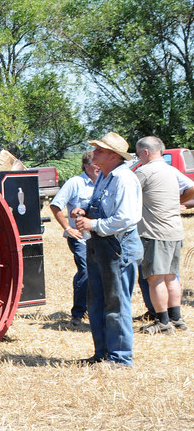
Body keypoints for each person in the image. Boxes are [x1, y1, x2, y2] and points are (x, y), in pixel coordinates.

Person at [74, 132, 143, 367]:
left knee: (116, 302)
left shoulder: (123, 178)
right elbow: (105, 207)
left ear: (113, 156)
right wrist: (84, 211)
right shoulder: (105, 177)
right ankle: (103, 354)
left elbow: (125, 218)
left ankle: (121, 358)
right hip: (101, 245)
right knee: (97, 301)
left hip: (117, 246)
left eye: (100, 150)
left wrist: (92, 224)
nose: (94, 153)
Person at [133, 136, 194, 334]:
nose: (137, 157)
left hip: (154, 232)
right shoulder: (171, 170)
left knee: (155, 278)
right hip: (174, 230)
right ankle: (176, 318)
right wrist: (177, 202)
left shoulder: (143, 172)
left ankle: (162, 321)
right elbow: (191, 187)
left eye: (138, 153)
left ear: (146, 152)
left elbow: (128, 195)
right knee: (171, 276)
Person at [49, 151, 100, 327]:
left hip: (99, 236)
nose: (99, 167)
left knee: (98, 272)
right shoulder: (75, 183)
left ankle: (96, 309)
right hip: (80, 237)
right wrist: (68, 228)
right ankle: (77, 314)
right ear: (86, 166)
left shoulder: (104, 182)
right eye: (95, 163)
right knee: (85, 271)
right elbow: (55, 205)